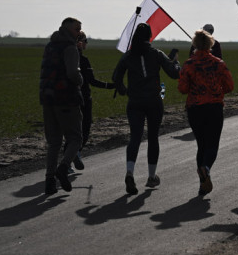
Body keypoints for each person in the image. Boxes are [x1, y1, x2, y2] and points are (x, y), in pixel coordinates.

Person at [112, 23, 181, 195]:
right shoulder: (157, 54)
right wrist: (177, 63)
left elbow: (116, 77)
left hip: (134, 101)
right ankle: (151, 177)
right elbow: (173, 73)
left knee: (135, 137)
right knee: (152, 137)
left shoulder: (128, 56)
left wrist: (123, 90)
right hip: (153, 101)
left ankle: (129, 172)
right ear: (149, 36)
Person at [179, 29, 234, 197]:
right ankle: (206, 169)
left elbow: (182, 89)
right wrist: (217, 90)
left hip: (195, 108)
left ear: (194, 44)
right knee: (212, 144)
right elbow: (230, 86)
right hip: (214, 107)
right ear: (211, 44)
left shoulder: (188, 65)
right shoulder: (219, 63)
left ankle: (203, 184)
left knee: (201, 145)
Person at [39, 17, 83, 195]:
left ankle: (49, 181)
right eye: (76, 29)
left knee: (54, 142)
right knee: (75, 138)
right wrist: (80, 80)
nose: (79, 32)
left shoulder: (50, 46)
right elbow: (72, 72)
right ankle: (63, 168)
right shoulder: (70, 48)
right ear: (67, 30)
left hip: (47, 99)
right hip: (66, 98)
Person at [66, 31, 115, 172]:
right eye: (85, 40)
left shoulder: (65, 59)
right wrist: (110, 85)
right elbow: (92, 81)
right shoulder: (83, 60)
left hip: (67, 99)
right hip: (83, 99)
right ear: (80, 43)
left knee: (71, 129)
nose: (87, 43)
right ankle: (74, 155)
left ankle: (70, 158)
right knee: (84, 129)